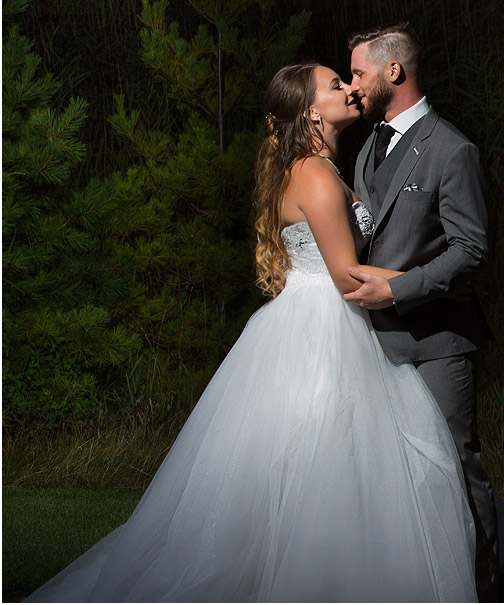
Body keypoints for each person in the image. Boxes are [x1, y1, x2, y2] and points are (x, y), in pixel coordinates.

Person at [27, 63, 477, 602]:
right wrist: (436, 284)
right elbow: (344, 276)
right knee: (333, 458)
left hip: (305, 319)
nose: (349, 89)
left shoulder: (324, 167)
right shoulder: (314, 173)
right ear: (311, 111)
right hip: (325, 325)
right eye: (336, 85)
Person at [341, 23, 504, 600]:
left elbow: (471, 248)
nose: (353, 86)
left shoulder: (452, 149)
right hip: (370, 345)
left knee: (455, 468)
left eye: (359, 72)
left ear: (394, 72)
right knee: (390, 478)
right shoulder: (367, 146)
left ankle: (482, 588)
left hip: (437, 340)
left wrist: (401, 289)